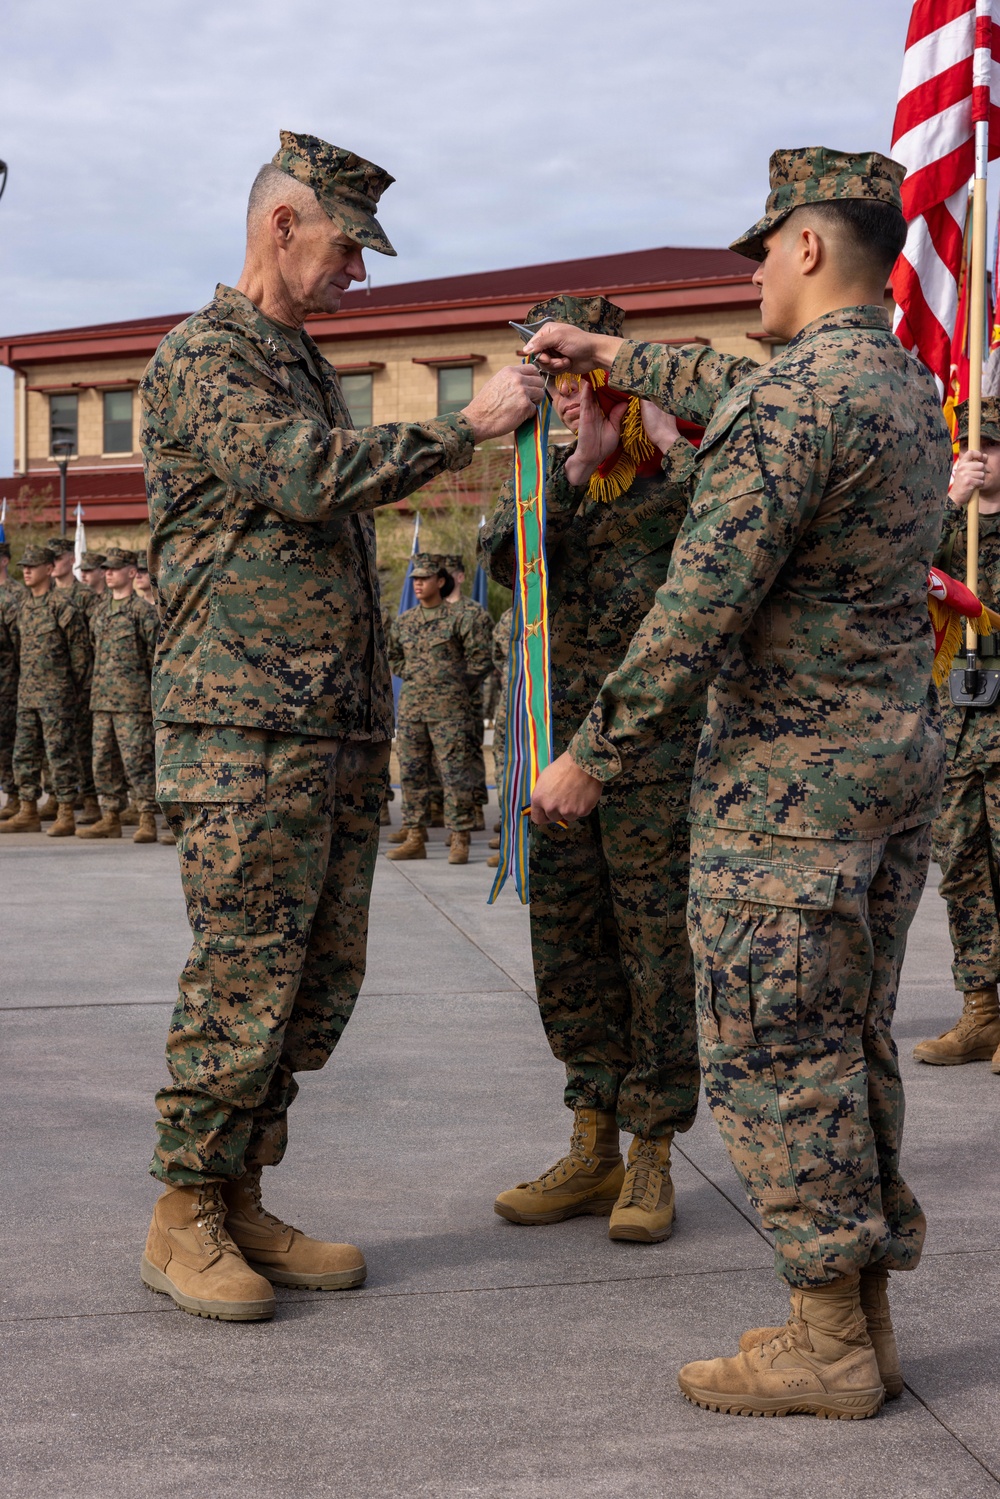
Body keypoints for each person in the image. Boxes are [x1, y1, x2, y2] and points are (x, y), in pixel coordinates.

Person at [523, 147, 951, 1418]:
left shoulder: (789, 409)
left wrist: (589, 757)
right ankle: (861, 1312)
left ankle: (822, 1338)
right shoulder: (904, 387)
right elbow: (731, 381)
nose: (754, 270)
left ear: (809, 249)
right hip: (885, 768)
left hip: (788, 790)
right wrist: (605, 356)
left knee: (776, 1052)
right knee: (850, 1040)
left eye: (763, 249)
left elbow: (693, 610)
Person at [139, 128, 542, 1321]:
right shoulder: (206, 357)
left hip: (332, 727)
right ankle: (182, 1212)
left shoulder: (301, 359)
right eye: (346, 249)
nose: (358, 274)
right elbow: (308, 474)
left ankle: (241, 1187)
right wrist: (464, 429)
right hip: (244, 723)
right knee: (245, 976)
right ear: (281, 225)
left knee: (318, 981)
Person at [483, 293, 736, 1242]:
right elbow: (505, 563)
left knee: (655, 953)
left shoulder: (684, 489)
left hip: (656, 766)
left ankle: (651, 1154)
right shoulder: (539, 484)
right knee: (569, 942)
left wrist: (655, 447)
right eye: (561, 391)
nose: (575, 405)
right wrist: (567, 469)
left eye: (591, 388)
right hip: (555, 763)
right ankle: (589, 1140)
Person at [914, 399, 1000, 1070]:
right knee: (962, 871)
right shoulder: (943, 526)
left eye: (992, 446)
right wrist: (951, 500)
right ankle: (981, 1012)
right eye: (970, 445)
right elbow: (898, 563)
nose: (980, 456)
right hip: (956, 727)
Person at [386, 553, 492, 865]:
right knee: (412, 774)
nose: (417, 584)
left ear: (441, 581)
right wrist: (419, 678)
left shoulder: (460, 618)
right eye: (414, 579)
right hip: (412, 711)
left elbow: (481, 660)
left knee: (455, 775)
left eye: (424, 578)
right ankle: (415, 837)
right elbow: (394, 657)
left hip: (450, 712)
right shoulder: (404, 622)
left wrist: (455, 686)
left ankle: (460, 838)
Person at [0, 545, 92, 837]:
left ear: (49, 570)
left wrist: (68, 688)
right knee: (24, 754)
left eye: (33, 565)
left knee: (60, 754)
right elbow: (16, 651)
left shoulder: (62, 607)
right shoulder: (23, 608)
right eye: (24, 565)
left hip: (57, 695)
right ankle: (27, 809)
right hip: (27, 694)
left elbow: (80, 655)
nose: (26, 570)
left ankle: (65, 812)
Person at [76, 547, 160, 844]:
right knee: (102, 762)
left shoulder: (143, 612)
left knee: (137, 762)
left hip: (132, 702)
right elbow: (92, 648)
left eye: (115, 568)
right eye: (106, 568)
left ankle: (147, 817)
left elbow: (155, 657)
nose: (108, 572)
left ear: (132, 572)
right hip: (102, 700)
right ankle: (110, 816)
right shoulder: (99, 612)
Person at [46, 536, 102, 825]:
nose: (52, 564)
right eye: (49, 559)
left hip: (81, 683)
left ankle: (91, 801)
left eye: (57, 557)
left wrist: (85, 681)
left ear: (71, 559)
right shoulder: (45, 596)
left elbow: (96, 641)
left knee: (82, 742)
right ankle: (57, 796)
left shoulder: (85, 597)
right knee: (53, 745)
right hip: (50, 686)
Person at [442, 551, 493, 829]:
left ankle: (475, 809)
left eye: (449, 575)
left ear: (460, 577)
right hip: (437, 701)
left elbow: (483, 659)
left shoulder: (474, 613)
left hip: (467, 697)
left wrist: (459, 686)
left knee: (470, 753)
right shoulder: (435, 612)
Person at [486, 603, 513, 869]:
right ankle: (512, 842)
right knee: (505, 771)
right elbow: (498, 657)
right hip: (509, 704)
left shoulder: (555, 609)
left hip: (549, 706)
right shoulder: (507, 618)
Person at [0, 541, 25, 819]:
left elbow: (20, 645)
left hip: (9, 683)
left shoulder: (15, 595)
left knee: (9, 743)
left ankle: (14, 795)